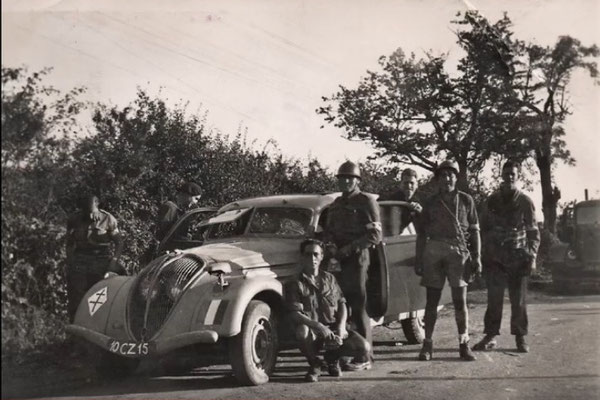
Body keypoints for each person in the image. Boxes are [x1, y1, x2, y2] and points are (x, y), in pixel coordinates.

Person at [415, 160, 481, 361]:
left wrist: (477, 256)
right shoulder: (430, 202)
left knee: (460, 301)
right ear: (437, 179)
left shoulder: (466, 200)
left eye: (450, 175)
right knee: (431, 301)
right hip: (434, 250)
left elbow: (475, 230)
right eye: (442, 175)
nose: (447, 179)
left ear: (456, 177)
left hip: (458, 252)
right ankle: (427, 344)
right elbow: (421, 235)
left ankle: (464, 343)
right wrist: (419, 259)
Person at [473, 161, 540, 353]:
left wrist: (532, 256)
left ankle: (520, 338)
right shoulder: (492, 200)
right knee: (494, 299)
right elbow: (483, 228)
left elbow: (533, 232)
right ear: (501, 175)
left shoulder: (525, 201)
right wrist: (485, 252)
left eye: (513, 174)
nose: (510, 177)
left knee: (518, 300)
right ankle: (490, 335)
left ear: (517, 176)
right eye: (506, 173)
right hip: (496, 258)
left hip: (518, 257)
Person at [322, 161, 382, 371]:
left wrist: (349, 248)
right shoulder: (336, 204)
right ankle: (346, 352)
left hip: (357, 259)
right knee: (340, 308)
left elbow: (375, 234)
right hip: (337, 260)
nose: (346, 181)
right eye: (342, 178)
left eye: (350, 178)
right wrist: (329, 246)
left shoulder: (366, 201)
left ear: (357, 180)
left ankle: (366, 356)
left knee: (358, 307)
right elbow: (328, 230)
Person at [286, 238, 371, 382]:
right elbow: (294, 313)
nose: (312, 258)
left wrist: (341, 327)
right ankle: (315, 363)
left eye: (315, 254)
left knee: (364, 347)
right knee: (302, 331)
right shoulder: (295, 283)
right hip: (313, 330)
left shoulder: (330, 279)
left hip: (333, 328)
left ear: (322, 256)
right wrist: (318, 326)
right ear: (302, 257)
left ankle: (332, 360)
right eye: (307, 254)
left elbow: (342, 303)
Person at [66, 194, 124, 321]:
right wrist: (70, 262)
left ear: (97, 205)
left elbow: (119, 243)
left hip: (101, 262)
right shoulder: (75, 219)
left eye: (91, 211)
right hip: (80, 262)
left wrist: (113, 263)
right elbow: (69, 243)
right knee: (76, 301)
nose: (89, 216)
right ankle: (76, 331)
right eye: (85, 212)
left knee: (100, 299)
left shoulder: (108, 219)